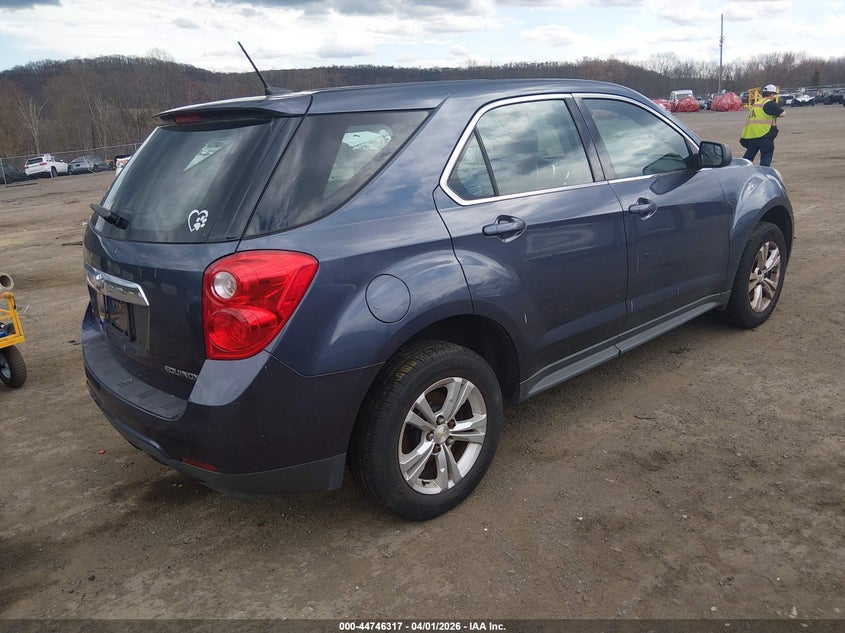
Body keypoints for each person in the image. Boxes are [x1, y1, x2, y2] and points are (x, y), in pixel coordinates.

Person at [739, 84, 785, 167]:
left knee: (748, 157)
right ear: (771, 94)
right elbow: (782, 113)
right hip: (765, 134)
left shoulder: (756, 104)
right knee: (766, 157)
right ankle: (763, 173)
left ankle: (741, 170)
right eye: (774, 94)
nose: (774, 96)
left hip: (752, 135)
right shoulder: (769, 103)